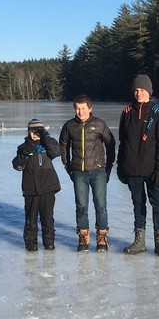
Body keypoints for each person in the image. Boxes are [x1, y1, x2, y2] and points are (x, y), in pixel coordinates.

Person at [117, 74, 159, 256]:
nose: (138, 93)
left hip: (153, 169)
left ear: (149, 91)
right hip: (132, 169)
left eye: (141, 90)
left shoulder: (158, 112)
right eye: (136, 90)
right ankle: (139, 241)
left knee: (158, 205)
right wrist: (120, 165)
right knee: (138, 204)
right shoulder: (126, 113)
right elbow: (122, 142)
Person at [59, 94, 116, 252]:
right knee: (81, 206)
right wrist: (66, 164)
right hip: (79, 173)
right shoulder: (70, 126)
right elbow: (63, 144)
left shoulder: (99, 124)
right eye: (77, 108)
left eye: (83, 108)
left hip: (98, 171)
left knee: (101, 206)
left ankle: (102, 238)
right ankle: (83, 237)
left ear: (90, 108)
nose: (80, 111)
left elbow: (110, 144)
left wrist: (108, 166)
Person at [12, 118, 61, 251]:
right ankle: (31, 244)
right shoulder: (23, 147)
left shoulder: (48, 145)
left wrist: (45, 136)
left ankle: (49, 243)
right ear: (28, 132)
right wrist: (24, 154)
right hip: (31, 188)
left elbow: (56, 151)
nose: (35, 134)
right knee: (30, 219)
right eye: (32, 131)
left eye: (38, 131)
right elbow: (17, 166)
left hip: (48, 186)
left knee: (47, 217)